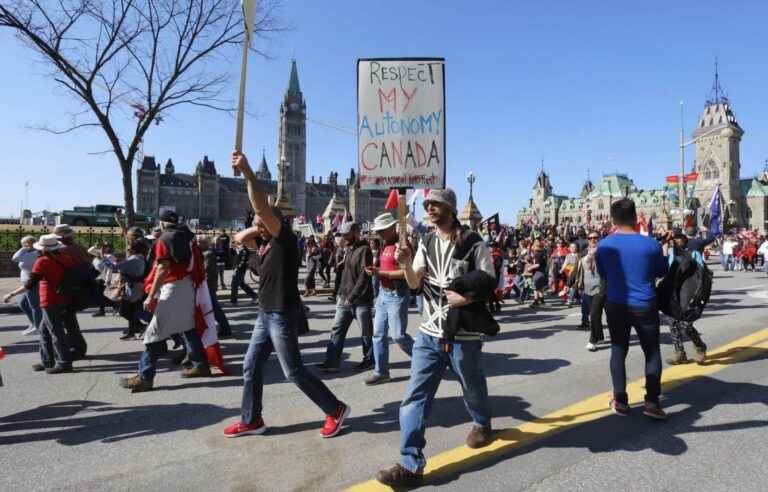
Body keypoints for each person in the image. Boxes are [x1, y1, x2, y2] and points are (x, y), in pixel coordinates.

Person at [223, 151, 349, 439]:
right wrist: (246, 238)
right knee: (251, 365)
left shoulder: (285, 239)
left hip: (281, 313)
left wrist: (248, 173)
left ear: (272, 222)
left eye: (259, 221)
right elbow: (252, 250)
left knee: (293, 371)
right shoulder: (266, 247)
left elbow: (259, 204)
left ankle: (336, 409)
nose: (254, 224)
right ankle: (251, 419)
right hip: (264, 314)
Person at [375, 189, 495, 487]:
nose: (428, 208)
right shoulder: (426, 242)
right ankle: (410, 463)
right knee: (415, 396)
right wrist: (404, 265)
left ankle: (481, 422)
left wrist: (465, 298)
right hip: (428, 333)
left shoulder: (473, 243)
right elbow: (416, 282)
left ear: (450, 209)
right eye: (427, 204)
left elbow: (489, 281)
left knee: (471, 384)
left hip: (463, 334)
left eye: (435, 204)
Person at [119, 210, 211, 393]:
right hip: (187, 287)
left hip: (173, 289)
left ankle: (145, 377)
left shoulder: (164, 239)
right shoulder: (187, 237)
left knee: (152, 334)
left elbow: (162, 268)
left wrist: (151, 294)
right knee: (188, 328)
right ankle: (201, 364)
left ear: (161, 223)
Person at [596, 198, 668, 420]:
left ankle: (621, 400)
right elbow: (661, 271)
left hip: (616, 303)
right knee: (652, 351)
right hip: (644, 303)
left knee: (618, 350)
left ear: (613, 219)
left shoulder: (604, 245)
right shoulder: (651, 244)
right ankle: (652, 402)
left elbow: (603, 274)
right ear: (636, 217)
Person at [365, 211, 414, 385]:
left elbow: (406, 273)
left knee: (398, 336)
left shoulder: (403, 245)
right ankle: (381, 372)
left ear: (392, 228)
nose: (379, 233)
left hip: (397, 294)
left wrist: (380, 272)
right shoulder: (385, 244)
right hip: (383, 294)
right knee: (378, 335)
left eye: (382, 230)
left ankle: (427, 360)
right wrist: (375, 270)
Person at [320, 221, 375, 373]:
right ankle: (331, 362)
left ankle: (369, 360)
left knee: (366, 333)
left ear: (356, 233)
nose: (343, 237)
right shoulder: (348, 248)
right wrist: (340, 293)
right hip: (344, 297)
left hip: (360, 299)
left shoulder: (365, 250)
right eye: (342, 234)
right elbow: (347, 273)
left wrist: (352, 296)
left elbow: (364, 276)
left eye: (346, 234)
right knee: (337, 329)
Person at [25, 234, 77, 373]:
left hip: (49, 298)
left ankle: (64, 362)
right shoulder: (66, 258)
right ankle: (47, 361)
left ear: (44, 249)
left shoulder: (42, 261)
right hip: (63, 297)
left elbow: (31, 283)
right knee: (44, 330)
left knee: (55, 331)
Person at [664, 229, 708, 365]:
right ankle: (680, 353)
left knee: (685, 325)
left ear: (684, 238)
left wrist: (698, 294)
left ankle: (700, 347)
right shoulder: (672, 252)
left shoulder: (693, 252)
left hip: (690, 293)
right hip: (674, 293)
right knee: (672, 322)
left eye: (679, 238)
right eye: (674, 239)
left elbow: (701, 273)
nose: (677, 240)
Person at [53, 224, 89, 359]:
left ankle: (73, 349)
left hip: (65, 289)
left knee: (64, 321)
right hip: (79, 288)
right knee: (70, 320)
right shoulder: (80, 249)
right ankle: (78, 348)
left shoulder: (62, 251)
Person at [198, 236, 232, 338]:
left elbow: (206, 270)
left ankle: (225, 329)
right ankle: (224, 328)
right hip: (208, 285)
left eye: (199, 242)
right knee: (214, 308)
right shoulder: (205, 253)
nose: (197, 244)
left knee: (215, 308)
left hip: (208, 286)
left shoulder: (208, 254)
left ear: (205, 243)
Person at [575, 234, 603, 350]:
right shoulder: (583, 253)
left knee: (594, 314)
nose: (593, 240)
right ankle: (599, 335)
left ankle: (593, 340)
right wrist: (568, 285)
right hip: (587, 287)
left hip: (601, 287)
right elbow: (577, 269)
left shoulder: (604, 252)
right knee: (595, 314)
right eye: (590, 238)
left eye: (595, 238)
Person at [10, 236, 41, 335]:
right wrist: (25, 248)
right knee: (23, 303)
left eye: (24, 243)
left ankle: (38, 326)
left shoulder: (35, 253)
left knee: (35, 306)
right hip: (26, 283)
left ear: (30, 243)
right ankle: (34, 323)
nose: (23, 246)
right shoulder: (28, 252)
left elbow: (15, 258)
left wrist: (24, 248)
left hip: (32, 283)